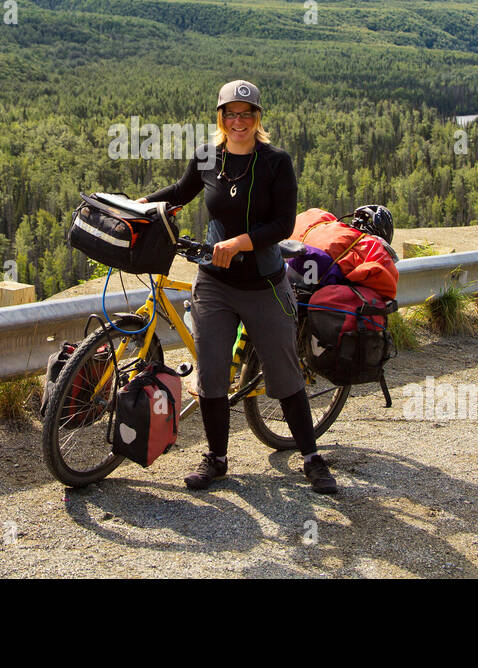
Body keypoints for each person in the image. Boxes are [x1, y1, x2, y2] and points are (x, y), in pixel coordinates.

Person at [136, 79, 338, 494]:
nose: (238, 121)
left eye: (246, 114)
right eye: (231, 114)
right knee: (211, 373)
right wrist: (142, 205)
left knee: (283, 375)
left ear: (257, 118)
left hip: (264, 283)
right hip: (214, 281)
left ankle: (311, 458)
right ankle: (217, 458)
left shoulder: (276, 162)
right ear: (221, 118)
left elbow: (282, 224)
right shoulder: (209, 156)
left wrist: (240, 243)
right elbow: (180, 192)